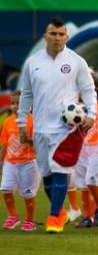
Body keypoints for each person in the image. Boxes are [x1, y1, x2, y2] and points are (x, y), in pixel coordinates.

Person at [17, 16, 97, 233]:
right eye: (53, 34)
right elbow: (26, 95)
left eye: (61, 34)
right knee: (48, 178)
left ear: (66, 37)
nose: (57, 38)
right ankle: (60, 211)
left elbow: (89, 90)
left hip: (66, 130)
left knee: (61, 172)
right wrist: (22, 122)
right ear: (46, 36)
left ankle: (54, 218)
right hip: (41, 129)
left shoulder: (76, 61)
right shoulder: (33, 63)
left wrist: (92, 114)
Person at [73, 75, 98, 228]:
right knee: (82, 183)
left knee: (90, 179)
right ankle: (86, 217)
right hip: (81, 150)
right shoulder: (75, 109)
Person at [0, 90, 38, 232]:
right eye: (13, 103)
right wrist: (1, 162)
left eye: (19, 103)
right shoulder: (8, 122)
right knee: (6, 189)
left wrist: (28, 140)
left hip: (27, 163)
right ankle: (13, 216)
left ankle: (30, 221)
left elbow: (39, 144)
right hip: (10, 163)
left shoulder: (32, 121)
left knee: (28, 194)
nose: (15, 106)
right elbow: (4, 143)